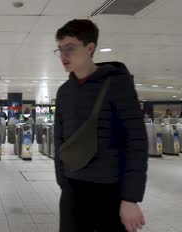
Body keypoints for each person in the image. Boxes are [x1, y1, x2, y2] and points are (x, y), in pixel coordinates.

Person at [53, 19, 148, 232]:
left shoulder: (117, 85)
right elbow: (59, 139)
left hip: (110, 192)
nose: (63, 56)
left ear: (90, 48)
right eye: (59, 49)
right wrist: (63, 182)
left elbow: (136, 142)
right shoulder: (64, 92)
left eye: (70, 48)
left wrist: (130, 199)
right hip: (72, 191)